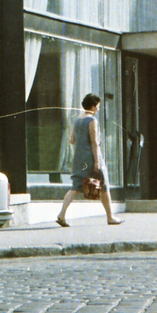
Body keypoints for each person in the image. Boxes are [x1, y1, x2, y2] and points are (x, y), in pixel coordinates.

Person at [57, 92, 122, 228]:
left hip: (79, 158)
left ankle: (62, 214)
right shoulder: (92, 121)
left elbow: (72, 140)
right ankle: (110, 217)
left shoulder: (78, 120)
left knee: (75, 186)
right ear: (93, 106)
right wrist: (97, 161)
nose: (98, 109)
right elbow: (94, 142)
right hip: (91, 157)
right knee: (104, 185)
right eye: (97, 106)